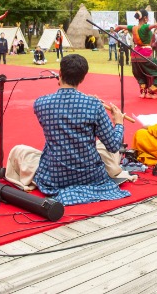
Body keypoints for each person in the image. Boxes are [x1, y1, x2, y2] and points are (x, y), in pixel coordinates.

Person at [33, 54, 130, 205]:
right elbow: (113, 145)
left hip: (55, 177)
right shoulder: (93, 105)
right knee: (102, 147)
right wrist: (118, 123)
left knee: (20, 152)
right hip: (90, 176)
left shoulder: (40, 104)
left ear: (60, 73)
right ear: (82, 78)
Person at [113, 10, 157, 99]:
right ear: (145, 18)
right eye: (147, 17)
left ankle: (143, 92)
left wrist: (117, 27)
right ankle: (151, 91)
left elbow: (121, 26)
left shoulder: (133, 28)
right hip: (145, 55)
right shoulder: (145, 27)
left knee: (140, 74)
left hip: (134, 56)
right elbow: (155, 25)